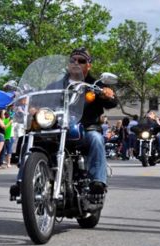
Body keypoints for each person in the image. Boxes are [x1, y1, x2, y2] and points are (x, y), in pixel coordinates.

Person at [10, 47, 117, 198]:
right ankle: (23, 182)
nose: (76, 63)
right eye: (73, 60)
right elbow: (40, 99)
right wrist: (33, 106)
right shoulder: (55, 85)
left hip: (85, 129)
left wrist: (108, 94)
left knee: (96, 139)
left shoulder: (95, 85)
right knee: (30, 138)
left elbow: (112, 102)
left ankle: (97, 182)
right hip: (57, 128)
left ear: (89, 65)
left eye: (81, 61)